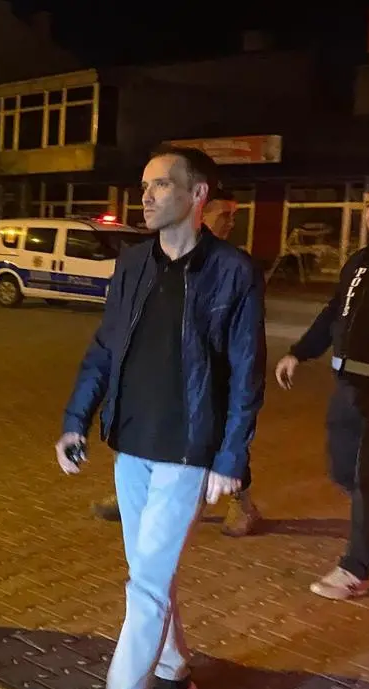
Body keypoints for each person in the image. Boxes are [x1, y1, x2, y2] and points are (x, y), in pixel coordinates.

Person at [54, 145, 265, 689]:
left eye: (160, 185)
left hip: (187, 449)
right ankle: (172, 673)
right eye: (144, 185)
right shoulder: (132, 264)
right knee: (150, 572)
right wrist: (75, 419)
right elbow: (105, 346)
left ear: (197, 194)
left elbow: (246, 371)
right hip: (131, 442)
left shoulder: (233, 270)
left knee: (147, 581)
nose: (145, 196)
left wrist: (231, 456)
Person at [89, 186, 264, 537]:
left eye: (234, 215)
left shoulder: (231, 265)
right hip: (157, 371)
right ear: (200, 209)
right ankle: (133, 492)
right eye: (225, 214)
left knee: (219, 435)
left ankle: (241, 502)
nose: (231, 222)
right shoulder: (155, 256)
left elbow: (243, 343)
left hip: (210, 376)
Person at [275, 181, 369, 600]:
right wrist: (300, 352)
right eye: (368, 203)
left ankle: (355, 570)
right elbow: (334, 311)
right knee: (342, 471)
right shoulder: (360, 261)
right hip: (349, 384)